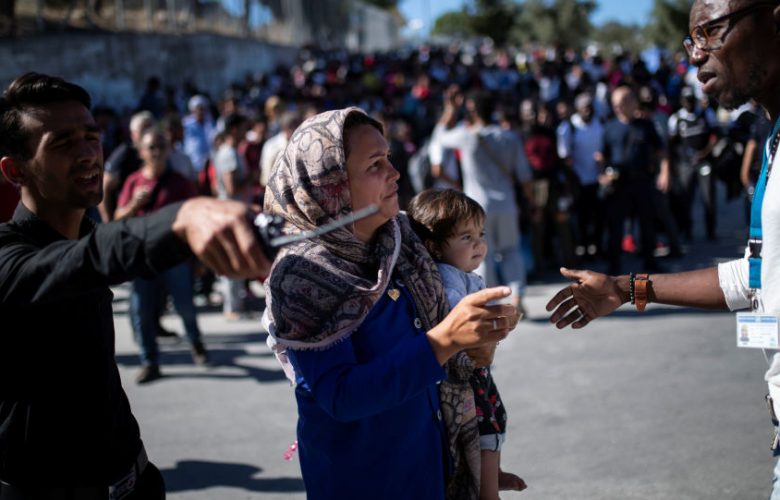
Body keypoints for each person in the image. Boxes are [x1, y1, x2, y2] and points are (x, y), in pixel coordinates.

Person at [546, 0, 780, 495]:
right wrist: (624, 288)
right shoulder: (773, 138)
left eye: (712, 31)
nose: (695, 55)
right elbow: (755, 276)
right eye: (691, 40)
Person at [0, 72, 270, 498]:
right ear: (16, 170)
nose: (88, 153)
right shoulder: (9, 257)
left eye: (92, 137)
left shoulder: (88, 234)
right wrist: (181, 219)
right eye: (63, 143)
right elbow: (89, 258)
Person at [262, 108, 520, 499]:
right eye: (375, 165)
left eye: (389, 158)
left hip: (432, 467)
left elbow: (452, 356)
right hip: (365, 480)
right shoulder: (303, 276)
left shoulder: (403, 238)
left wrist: (479, 341)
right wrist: (444, 341)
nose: (395, 173)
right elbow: (341, 396)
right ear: (330, 184)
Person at [407, 188, 527, 500]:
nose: (479, 244)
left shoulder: (462, 272)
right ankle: (488, 489)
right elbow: (459, 314)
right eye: (466, 237)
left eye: (481, 234)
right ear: (434, 246)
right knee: (485, 424)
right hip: (463, 373)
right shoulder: (447, 275)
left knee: (494, 417)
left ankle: (492, 473)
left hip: (475, 370)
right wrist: (498, 321)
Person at [115, 129, 208, 384]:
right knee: (142, 312)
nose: (156, 152)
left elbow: (197, 218)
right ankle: (150, 361)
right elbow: (117, 218)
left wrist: (199, 258)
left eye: (161, 147)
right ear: (141, 152)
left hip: (175, 257)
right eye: (151, 148)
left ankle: (195, 342)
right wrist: (133, 205)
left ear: (168, 151)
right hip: (144, 259)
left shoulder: (179, 182)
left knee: (185, 306)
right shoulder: (133, 181)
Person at [433, 89, 534, 312]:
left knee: (482, 254)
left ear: (473, 111)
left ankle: (490, 301)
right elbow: (525, 176)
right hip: (506, 203)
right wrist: (530, 201)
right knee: (511, 250)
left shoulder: (466, 136)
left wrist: (450, 109)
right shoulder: (509, 137)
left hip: (478, 206)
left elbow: (440, 137)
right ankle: (517, 296)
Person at [597, 86, 667, 275]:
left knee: (647, 224)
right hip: (619, 184)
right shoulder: (610, 127)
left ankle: (650, 262)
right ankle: (614, 265)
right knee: (616, 226)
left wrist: (664, 173)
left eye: (621, 103)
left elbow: (661, 151)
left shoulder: (646, 125)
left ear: (632, 102)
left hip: (642, 181)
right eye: (614, 105)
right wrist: (602, 174)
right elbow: (601, 155)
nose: (617, 108)